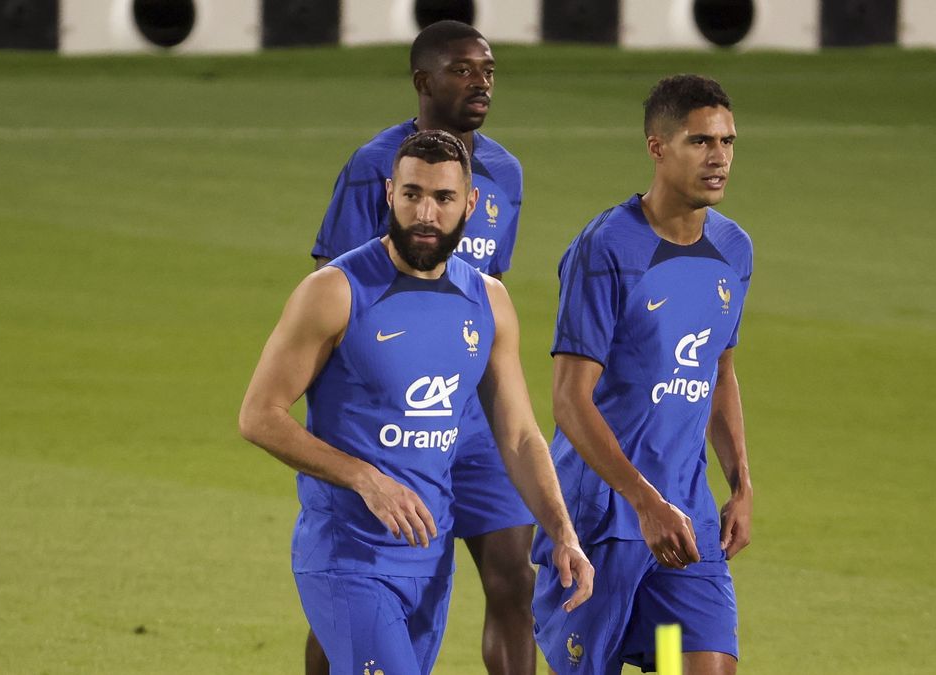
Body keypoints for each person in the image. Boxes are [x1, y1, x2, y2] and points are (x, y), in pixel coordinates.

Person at [239, 130, 593, 675]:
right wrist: (364, 477)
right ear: (389, 193)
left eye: (444, 198)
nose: (425, 212)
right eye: (412, 194)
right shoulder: (335, 291)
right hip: (347, 557)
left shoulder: (488, 302)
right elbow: (259, 415)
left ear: (470, 205)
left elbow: (520, 436)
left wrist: (562, 532)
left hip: (429, 562)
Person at [308, 20, 534, 674]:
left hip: (472, 415)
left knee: (514, 576)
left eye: (488, 69)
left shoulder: (505, 174)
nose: (481, 82)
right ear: (423, 81)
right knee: (357, 588)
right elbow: (333, 289)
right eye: (463, 69)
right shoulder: (373, 169)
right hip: (388, 415)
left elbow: (488, 290)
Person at [531, 75, 754, 674]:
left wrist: (741, 484)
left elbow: (718, 369)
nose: (720, 158)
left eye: (728, 142)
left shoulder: (734, 251)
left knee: (703, 667)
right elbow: (570, 400)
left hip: (687, 515)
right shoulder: (605, 248)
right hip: (603, 516)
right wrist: (643, 502)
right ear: (657, 147)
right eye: (701, 142)